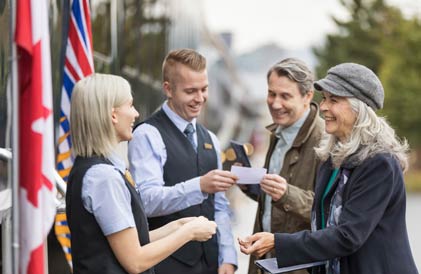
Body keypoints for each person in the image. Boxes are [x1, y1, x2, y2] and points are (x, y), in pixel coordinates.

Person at [239, 63, 419, 274]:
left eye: (333, 100)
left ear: (358, 108)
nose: (323, 107)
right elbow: (322, 227)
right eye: (324, 98)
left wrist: (278, 243)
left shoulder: (379, 163)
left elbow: (348, 236)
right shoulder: (332, 158)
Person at [66, 73, 217, 274]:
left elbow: (129, 241)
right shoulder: (104, 178)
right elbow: (135, 260)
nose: (136, 114)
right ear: (113, 115)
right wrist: (188, 233)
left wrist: (178, 226)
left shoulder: (93, 169)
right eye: (130, 105)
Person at [128, 49, 238, 274]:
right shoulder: (148, 135)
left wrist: (227, 256)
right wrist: (199, 186)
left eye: (204, 89)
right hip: (166, 266)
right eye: (190, 91)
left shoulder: (211, 140)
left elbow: (219, 205)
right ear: (168, 89)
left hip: (209, 265)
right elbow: (146, 202)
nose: (199, 98)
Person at [242, 58, 324, 274]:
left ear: (307, 97)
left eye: (285, 96)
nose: (275, 104)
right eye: (271, 94)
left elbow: (330, 211)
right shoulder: (278, 133)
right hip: (265, 263)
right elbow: (275, 203)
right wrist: (250, 184)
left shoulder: (326, 141)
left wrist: (287, 194)